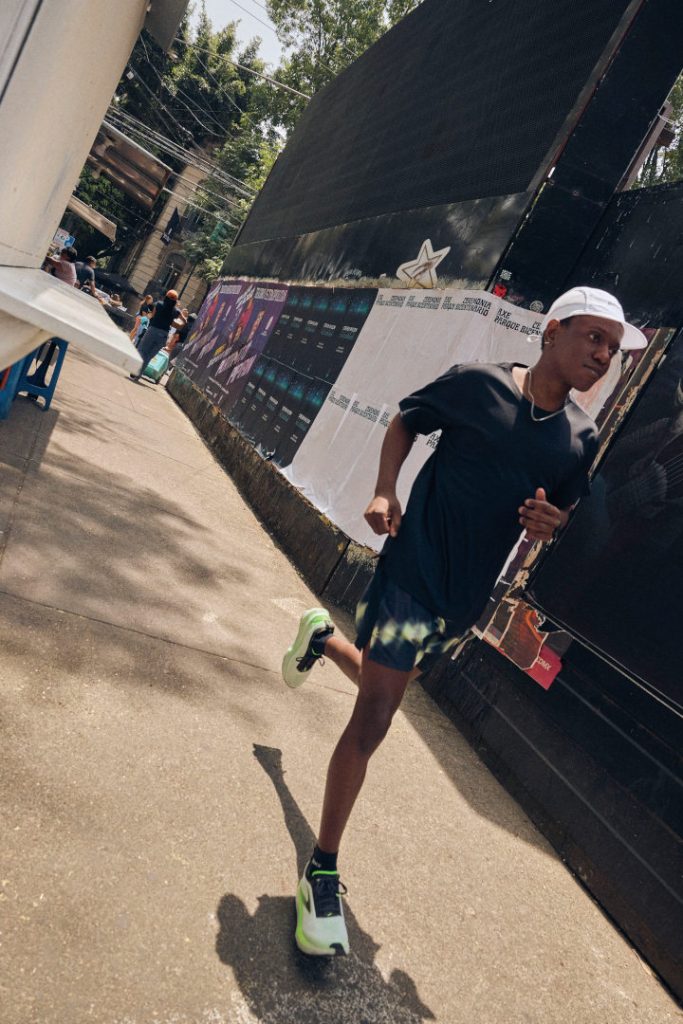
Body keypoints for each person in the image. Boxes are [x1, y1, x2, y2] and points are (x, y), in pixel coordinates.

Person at [280, 286, 647, 958]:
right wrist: (385, 488)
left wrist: (551, 523)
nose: (603, 354)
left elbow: (560, 514)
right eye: (593, 337)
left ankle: (321, 638)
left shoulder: (581, 437)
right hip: (412, 567)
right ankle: (321, 872)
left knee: (385, 687)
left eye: (613, 347)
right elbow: (405, 420)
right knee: (376, 717)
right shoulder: (479, 385)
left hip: (464, 598)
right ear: (552, 331)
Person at [129, 290, 187, 381]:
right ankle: (138, 375)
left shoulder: (159, 304)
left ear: (166, 296)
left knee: (142, 351)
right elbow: (184, 321)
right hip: (164, 335)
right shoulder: (176, 311)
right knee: (149, 356)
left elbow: (153, 316)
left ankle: (135, 371)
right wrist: (174, 323)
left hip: (153, 330)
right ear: (175, 300)